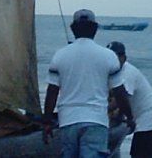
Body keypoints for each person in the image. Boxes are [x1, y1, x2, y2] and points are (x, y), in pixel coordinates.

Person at [43, 9, 127, 158]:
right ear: (95, 28)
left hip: (68, 121)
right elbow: (120, 92)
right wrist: (130, 117)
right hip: (96, 121)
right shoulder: (108, 56)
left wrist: (47, 122)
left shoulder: (60, 55)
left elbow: (52, 92)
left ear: (73, 29)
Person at [106, 42, 152, 158]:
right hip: (140, 120)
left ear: (124, 57)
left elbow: (119, 100)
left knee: (140, 155)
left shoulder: (127, 73)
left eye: (117, 57)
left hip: (149, 120)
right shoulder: (113, 72)